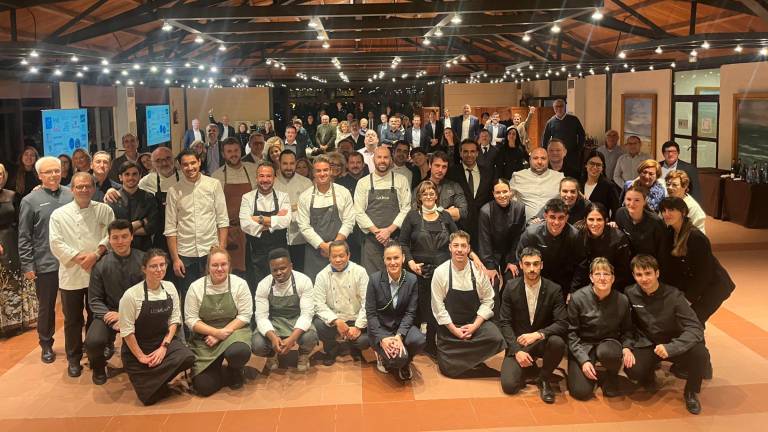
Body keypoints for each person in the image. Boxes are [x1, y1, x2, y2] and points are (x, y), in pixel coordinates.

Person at [624, 254, 709, 415]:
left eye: (648, 273)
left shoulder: (674, 296)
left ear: (657, 273)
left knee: (701, 354)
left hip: (673, 343)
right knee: (633, 369)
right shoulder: (630, 293)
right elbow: (627, 326)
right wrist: (627, 347)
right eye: (639, 274)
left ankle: (690, 392)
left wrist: (672, 347)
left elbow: (695, 328)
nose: (644, 279)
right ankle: (648, 373)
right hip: (648, 343)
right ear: (634, 275)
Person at [49, 172, 115, 377]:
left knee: (98, 316)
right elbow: (56, 243)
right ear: (72, 189)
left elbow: (111, 236)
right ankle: (74, 358)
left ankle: (99, 351)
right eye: (79, 187)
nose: (84, 190)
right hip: (72, 274)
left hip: (98, 272)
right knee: (72, 320)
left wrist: (95, 255)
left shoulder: (104, 210)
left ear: (94, 188)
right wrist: (80, 258)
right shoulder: (59, 214)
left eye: (88, 186)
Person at [119, 249, 195, 405]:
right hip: (137, 348)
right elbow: (127, 332)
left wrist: (164, 347)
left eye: (162, 265)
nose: (159, 270)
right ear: (144, 269)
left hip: (161, 343)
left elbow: (175, 320)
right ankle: (153, 382)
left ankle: (155, 381)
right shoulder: (131, 295)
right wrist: (141, 356)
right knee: (149, 399)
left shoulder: (170, 288)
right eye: (153, 266)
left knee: (187, 357)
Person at [18, 157, 74, 363]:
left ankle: (74, 344)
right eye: (48, 172)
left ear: (62, 172)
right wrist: (27, 265)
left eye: (56, 171)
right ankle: (46, 344)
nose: (53, 175)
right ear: (39, 175)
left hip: (71, 261)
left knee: (73, 307)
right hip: (45, 263)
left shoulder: (71, 194)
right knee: (46, 307)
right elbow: (24, 236)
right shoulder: (29, 201)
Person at [431, 230, 505, 378]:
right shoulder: (440, 272)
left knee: (496, 338)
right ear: (450, 248)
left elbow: (488, 299)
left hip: (473, 323)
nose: (459, 249)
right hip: (451, 326)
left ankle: (469, 362)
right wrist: (455, 330)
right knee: (447, 370)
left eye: (463, 246)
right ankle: (473, 362)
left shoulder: (478, 272)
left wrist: (475, 325)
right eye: (456, 245)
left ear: (468, 248)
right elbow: (438, 307)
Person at [498, 247, 567, 402]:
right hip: (519, 342)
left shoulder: (554, 289)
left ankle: (544, 378)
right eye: (527, 264)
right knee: (509, 386)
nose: (532, 269)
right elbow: (504, 322)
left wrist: (538, 334)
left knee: (558, 342)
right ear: (521, 265)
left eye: (536, 264)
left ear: (541, 265)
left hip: (541, 341)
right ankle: (528, 368)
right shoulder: (510, 287)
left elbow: (562, 322)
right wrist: (516, 351)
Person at [400, 180, 459, 357]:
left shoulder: (446, 217)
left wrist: (473, 257)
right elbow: (403, 243)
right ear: (419, 197)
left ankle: (433, 343)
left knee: (439, 306)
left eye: (431, 193)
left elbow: (456, 239)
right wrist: (410, 262)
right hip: (418, 270)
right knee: (418, 306)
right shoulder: (412, 216)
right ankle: (415, 342)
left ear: (436, 196)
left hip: (442, 270)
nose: (428, 196)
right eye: (424, 193)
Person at [165, 149, 229, 304]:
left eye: (193, 163)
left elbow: (223, 220)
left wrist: (221, 251)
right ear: (180, 166)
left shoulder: (213, 185)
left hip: (210, 250)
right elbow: (170, 228)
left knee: (212, 295)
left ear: (199, 162)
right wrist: (175, 259)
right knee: (189, 298)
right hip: (185, 254)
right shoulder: (174, 191)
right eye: (185, 164)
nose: (190, 167)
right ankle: (190, 329)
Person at [185, 247, 252, 396]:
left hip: (234, 332)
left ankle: (235, 369)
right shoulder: (195, 288)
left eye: (223, 264)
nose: (220, 269)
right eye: (215, 265)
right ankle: (216, 368)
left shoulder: (239, 284)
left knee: (239, 352)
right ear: (208, 267)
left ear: (229, 265)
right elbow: (191, 319)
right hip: (205, 338)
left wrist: (220, 335)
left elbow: (245, 315)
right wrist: (215, 332)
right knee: (204, 387)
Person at [86, 219, 145, 384]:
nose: (120, 241)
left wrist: (125, 316)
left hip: (138, 312)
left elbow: (150, 293)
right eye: (115, 237)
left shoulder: (144, 261)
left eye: (124, 236)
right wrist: (110, 316)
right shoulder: (100, 265)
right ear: (109, 240)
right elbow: (94, 299)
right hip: (109, 313)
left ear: (132, 237)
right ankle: (98, 368)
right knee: (93, 342)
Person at [659, 197, 735, 325]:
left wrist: (688, 299)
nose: (666, 214)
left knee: (694, 320)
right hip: (695, 284)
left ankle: (697, 344)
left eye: (671, 210)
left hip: (714, 286)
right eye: (663, 210)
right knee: (688, 320)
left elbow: (704, 273)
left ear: (683, 212)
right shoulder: (670, 233)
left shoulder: (696, 237)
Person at [567, 257, 634, 400]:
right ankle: (590, 370)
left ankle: (611, 375)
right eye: (597, 274)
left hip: (608, 344)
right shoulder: (578, 298)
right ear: (591, 277)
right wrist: (583, 360)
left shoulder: (622, 300)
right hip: (583, 345)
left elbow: (628, 330)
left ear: (613, 278)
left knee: (608, 353)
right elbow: (571, 333)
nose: (602, 278)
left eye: (606, 274)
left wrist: (627, 347)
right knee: (580, 392)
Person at [365, 241, 425, 380]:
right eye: (389, 258)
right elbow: (371, 314)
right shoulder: (374, 280)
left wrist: (399, 336)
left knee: (419, 340)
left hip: (401, 327)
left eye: (396, 258)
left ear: (403, 258)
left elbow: (411, 312)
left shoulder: (411, 279)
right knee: (395, 360)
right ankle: (383, 356)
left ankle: (405, 362)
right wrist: (383, 338)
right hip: (381, 329)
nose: (393, 262)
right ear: (384, 260)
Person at [252, 248, 318, 373]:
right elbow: (261, 317)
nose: (279, 273)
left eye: (283, 268)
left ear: (291, 266)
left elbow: (307, 314)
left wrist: (292, 338)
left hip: (296, 320)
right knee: (257, 344)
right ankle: (272, 355)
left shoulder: (303, 281)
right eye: (274, 270)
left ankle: (303, 355)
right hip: (274, 322)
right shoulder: (263, 285)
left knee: (310, 337)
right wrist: (273, 337)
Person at [354, 146, 411, 274]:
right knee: (372, 279)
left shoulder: (401, 180)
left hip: (395, 238)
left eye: (386, 157)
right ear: (373, 159)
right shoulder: (363, 183)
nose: (382, 160)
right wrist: (378, 233)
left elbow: (406, 208)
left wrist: (389, 230)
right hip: (371, 241)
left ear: (391, 159)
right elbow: (358, 211)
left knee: (395, 277)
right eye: (379, 157)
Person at [298, 156, 356, 279]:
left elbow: (349, 221)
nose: (322, 174)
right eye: (318, 171)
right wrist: (323, 246)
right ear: (313, 173)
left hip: (340, 250)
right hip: (315, 252)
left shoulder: (343, 192)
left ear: (330, 171)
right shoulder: (305, 197)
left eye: (325, 170)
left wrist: (335, 246)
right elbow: (304, 227)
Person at [313, 240, 370, 366]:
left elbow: (368, 302)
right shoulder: (321, 276)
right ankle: (331, 350)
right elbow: (318, 304)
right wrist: (337, 321)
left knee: (363, 341)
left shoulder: (360, 272)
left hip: (355, 317)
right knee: (318, 325)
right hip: (334, 320)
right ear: (329, 257)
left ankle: (354, 348)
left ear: (349, 255)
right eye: (334, 256)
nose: (338, 260)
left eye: (341, 256)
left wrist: (358, 326)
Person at [516, 198, 584, 296]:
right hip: (537, 281)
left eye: (561, 217)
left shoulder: (574, 236)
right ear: (545, 216)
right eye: (552, 217)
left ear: (567, 218)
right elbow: (520, 259)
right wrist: (528, 285)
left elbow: (581, 264)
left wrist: (573, 291)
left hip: (564, 284)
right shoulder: (531, 234)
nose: (556, 222)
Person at [241, 161, 291, 292]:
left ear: (274, 178)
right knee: (257, 289)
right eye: (261, 176)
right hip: (256, 254)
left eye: (268, 176)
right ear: (256, 178)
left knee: (281, 287)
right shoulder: (247, 198)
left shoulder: (283, 197)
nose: (265, 180)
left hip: (279, 252)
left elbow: (285, 221)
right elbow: (245, 224)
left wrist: (259, 219)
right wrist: (274, 221)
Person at [211, 138, 258, 276]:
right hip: (230, 230)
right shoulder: (217, 176)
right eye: (229, 151)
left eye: (236, 150)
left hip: (252, 227)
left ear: (241, 150)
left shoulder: (253, 169)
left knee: (252, 269)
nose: (233, 154)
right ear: (223, 154)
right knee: (233, 271)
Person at [0, 163, 36, 334]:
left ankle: (14, 321)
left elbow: (20, 220)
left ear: (5, 175)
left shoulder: (13, 195)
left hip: (11, 240)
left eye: (1, 173)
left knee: (13, 281)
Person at [478, 179, 527, 285]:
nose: (502, 195)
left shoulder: (519, 208)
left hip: (512, 253)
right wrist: (490, 266)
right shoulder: (485, 211)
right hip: (492, 254)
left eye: (505, 191)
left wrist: (513, 261)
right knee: (492, 283)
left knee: (512, 281)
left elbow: (519, 237)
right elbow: (484, 241)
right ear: (493, 194)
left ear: (510, 192)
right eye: (498, 192)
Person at [575, 203, 633, 291]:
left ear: (606, 220)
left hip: (612, 286)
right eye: (591, 219)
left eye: (599, 220)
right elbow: (579, 268)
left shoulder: (618, 238)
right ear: (585, 220)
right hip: (585, 287)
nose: (595, 223)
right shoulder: (579, 234)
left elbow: (622, 272)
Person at [448, 139, 493, 248]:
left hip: (483, 226)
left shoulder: (489, 172)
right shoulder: (451, 172)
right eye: (465, 151)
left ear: (477, 153)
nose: (469, 155)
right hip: (459, 226)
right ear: (460, 153)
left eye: (472, 151)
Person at [274, 150, 314, 272]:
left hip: (300, 237)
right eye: (285, 163)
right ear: (279, 163)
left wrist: (284, 211)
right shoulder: (272, 182)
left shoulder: (306, 183)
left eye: (291, 163)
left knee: (300, 272)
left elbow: (308, 211)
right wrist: (294, 208)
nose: (288, 167)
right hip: (276, 237)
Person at [108, 161, 159, 251]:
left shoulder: (149, 198)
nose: (131, 177)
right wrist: (141, 222)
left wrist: (123, 231)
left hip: (144, 250)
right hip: (119, 250)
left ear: (140, 176)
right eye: (127, 174)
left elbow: (152, 227)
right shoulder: (113, 198)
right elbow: (113, 230)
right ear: (120, 177)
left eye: (134, 174)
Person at [138, 146, 180, 252]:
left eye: (167, 158)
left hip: (182, 234)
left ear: (174, 159)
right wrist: (112, 191)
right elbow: (130, 192)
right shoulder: (146, 181)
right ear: (152, 163)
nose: (164, 163)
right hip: (159, 235)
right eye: (158, 160)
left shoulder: (184, 177)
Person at [614, 184, 668, 261]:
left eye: (637, 200)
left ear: (644, 201)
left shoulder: (656, 222)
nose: (632, 204)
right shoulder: (620, 213)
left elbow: (663, 252)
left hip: (648, 266)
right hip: (628, 262)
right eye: (628, 199)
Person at [510, 147, 564, 220]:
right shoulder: (518, 176)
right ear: (529, 160)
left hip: (553, 225)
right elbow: (507, 199)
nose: (539, 162)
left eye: (543, 158)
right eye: (535, 158)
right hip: (525, 226)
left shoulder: (559, 177)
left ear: (548, 160)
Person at [541, 99, 585, 178]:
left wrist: (578, 149)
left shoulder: (574, 120)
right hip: (557, 155)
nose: (559, 108)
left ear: (565, 107)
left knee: (572, 176)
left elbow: (582, 135)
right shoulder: (550, 122)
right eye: (556, 106)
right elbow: (545, 140)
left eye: (561, 106)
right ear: (554, 108)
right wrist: (547, 153)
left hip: (572, 155)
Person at [419, 151, 467, 224]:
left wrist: (430, 213)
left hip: (449, 232)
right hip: (425, 232)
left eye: (444, 167)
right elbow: (416, 215)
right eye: (437, 165)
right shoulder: (419, 188)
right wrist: (447, 212)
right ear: (430, 165)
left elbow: (463, 212)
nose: (440, 170)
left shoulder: (455, 186)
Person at [581, 150, 621, 217]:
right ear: (586, 164)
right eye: (592, 163)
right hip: (580, 225)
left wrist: (612, 223)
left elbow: (616, 210)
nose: (595, 167)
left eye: (598, 165)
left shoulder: (609, 186)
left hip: (599, 224)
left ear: (602, 168)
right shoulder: (578, 183)